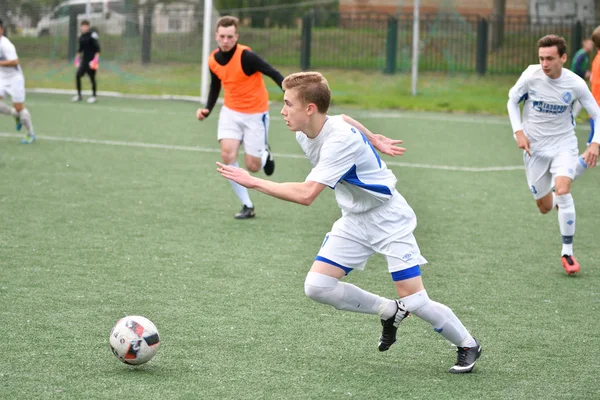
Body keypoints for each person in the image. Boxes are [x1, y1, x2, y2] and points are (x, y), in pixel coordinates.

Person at [217, 71, 482, 374]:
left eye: (288, 104)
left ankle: (467, 343)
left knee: (416, 300)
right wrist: (373, 138)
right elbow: (344, 117)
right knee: (317, 286)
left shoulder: (338, 141)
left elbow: (306, 195)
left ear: (310, 109)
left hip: (388, 219)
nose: (282, 111)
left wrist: (253, 182)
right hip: (354, 220)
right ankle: (389, 311)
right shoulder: (306, 131)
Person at [507, 34, 600, 275]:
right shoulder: (530, 75)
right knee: (545, 206)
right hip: (535, 148)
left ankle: (567, 253)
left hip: (563, 144)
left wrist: (595, 144)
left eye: (550, 58)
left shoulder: (575, 83)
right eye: (541, 58)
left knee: (563, 190)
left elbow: (597, 114)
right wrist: (519, 132)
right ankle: (557, 199)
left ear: (563, 58)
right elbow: (511, 101)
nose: (544, 64)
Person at [197, 16, 283, 219]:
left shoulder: (247, 56)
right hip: (231, 112)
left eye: (230, 37)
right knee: (227, 156)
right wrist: (208, 109)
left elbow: (272, 72)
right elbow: (215, 85)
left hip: (255, 114)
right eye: (222, 36)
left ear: (236, 36)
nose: (225, 40)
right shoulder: (213, 59)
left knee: (253, 166)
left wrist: (290, 92)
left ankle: (265, 154)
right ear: (216, 36)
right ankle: (247, 205)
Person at [0, 19, 35, 144]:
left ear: (1, 30)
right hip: (1, 77)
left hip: (15, 78)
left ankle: (30, 133)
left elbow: (15, 62)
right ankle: (14, 114)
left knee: (19, 107)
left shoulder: (6, 44)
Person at [72, 20, 100, 104]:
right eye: (82, 26)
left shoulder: (92, 36)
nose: (83, 28)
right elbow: (80, 49)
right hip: (84, 61)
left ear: (88, 26)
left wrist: (95, 60)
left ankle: (93, 96)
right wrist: (77, 58)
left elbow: (98, 49)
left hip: (91, 61)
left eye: (85, 26)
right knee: (77, 75)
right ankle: (79, 95)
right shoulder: (81, 36)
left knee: (92, 78)